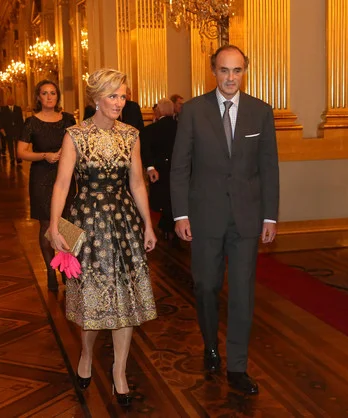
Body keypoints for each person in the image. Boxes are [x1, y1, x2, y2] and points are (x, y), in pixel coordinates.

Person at [170, 45, 279, 395]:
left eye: (236, 71)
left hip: (247, 218)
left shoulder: (261, 112)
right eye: (223, 71)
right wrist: (181, 213)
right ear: (213, 71)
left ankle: (237, 367)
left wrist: (270, 216)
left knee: (243, 293)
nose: (230, 78)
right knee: (206, 287)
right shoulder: (192, 111)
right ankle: (210, 345)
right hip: (204, 217)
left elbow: (269, 169)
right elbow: (180, 166)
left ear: (244, 71)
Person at [48, 68, 157, 407]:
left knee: (125, 300)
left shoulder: (131, 135)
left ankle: (119, 372)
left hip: (123, 223)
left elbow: (137, 183)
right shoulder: (75, 135)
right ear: (96, 98)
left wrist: (148, 225)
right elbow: (63, 185)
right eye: (112, 96)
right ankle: (85, 354)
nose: (118, 102)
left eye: (122, 96)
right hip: (88, 222)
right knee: (91, 300)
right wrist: (54, 226)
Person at [17, 80, 77, 292]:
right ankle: (50, 272)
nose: (50, 97)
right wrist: (45, 156)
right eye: (45, 93)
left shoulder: (68, 119)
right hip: (41, 177)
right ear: (38, 97)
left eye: (53, 93)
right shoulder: (31, 123)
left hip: (66, 176)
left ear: (57, 96)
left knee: (66, 224)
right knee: (46, 226)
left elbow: (78, 144)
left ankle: (66, 271)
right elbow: (21, 152)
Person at [140, 98, 178, 242]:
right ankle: (170, 227)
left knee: (164, 200)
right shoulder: (180, 127)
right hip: (177, 170)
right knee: (173, 199)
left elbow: (146, 150)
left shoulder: (150, 129)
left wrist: (150, 167)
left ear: (159, 111)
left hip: (159, 170)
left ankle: (167, 227)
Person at [0, 97, 25, 164]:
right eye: (9, 100)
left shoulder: (18, 108)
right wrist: (1, 128)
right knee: (10, 145)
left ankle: (18, 158)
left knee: (18, 145)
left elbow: (21, 120)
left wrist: (22, 129)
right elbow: (1, 120)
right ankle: (12, 158)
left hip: (17, 130)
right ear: (7, 102)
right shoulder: (4, 110)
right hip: (8, 130)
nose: (10, 101)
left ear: (13, 101)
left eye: (11, 100)